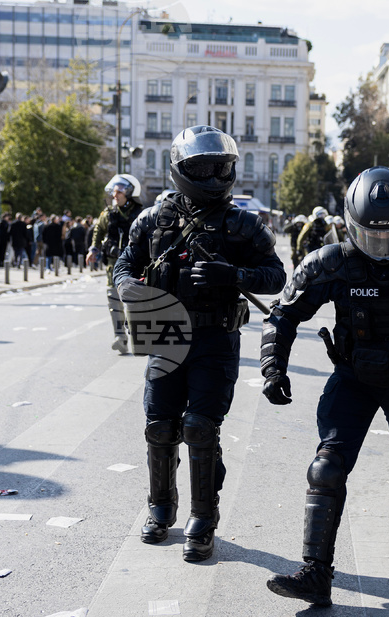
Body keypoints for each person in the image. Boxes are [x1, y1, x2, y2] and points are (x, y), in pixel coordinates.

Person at [260, 167, 389, 606]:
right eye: (372, 236)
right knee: (326, 467)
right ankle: (315, 572)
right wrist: (272, 366)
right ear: (350, 225)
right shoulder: (332, 261)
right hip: (354, 378)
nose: (382, 247)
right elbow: (283, 312)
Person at [113, 125, 286, 562]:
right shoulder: (153, 219)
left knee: (200, 428)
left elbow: (276, 275)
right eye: (203, 168)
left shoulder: (243, 223)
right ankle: (160, 508)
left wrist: (235, 276)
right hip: (165, 333)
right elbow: (122, 267)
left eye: (221, 167)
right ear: (183, 170)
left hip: (216, 335)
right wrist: (134, 289)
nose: (213, 175)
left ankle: (203, 519)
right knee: (159, 427)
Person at [88, 174, 144, 353]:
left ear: (129, 193)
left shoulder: (140, 215)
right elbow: (98, 229)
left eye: (119, 191)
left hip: (134, 265)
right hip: (113, 263)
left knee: (132, 300)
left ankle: (137, 334)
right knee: (114, 300)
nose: (115, 194)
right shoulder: (108, 214)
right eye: (114, 191)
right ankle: (120, 336)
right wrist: (93, 249)